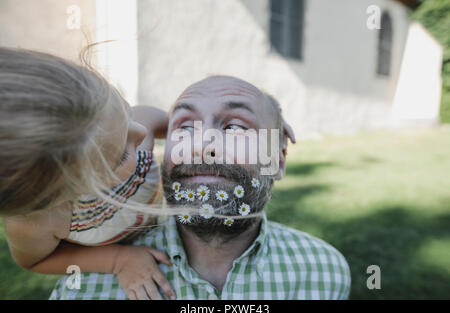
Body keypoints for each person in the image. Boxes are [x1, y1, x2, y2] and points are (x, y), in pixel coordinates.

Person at [50, 75, 351, 300]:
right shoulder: (84, 286)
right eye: (185, 128)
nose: (201, 146)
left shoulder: (324, 273)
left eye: (235, 127)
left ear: (279, 160)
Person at [0, 47, 177, 300]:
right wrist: (118, 259)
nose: (140, 131)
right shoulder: (37, 224)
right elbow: (36, 261)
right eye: (121, 156)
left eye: (124, 108)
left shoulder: (123, 130)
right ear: (56, 198)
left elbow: (157, 121)